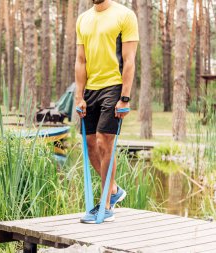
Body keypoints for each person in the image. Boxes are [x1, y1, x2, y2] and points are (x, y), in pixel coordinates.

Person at [75, 0, 139, 223]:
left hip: (114, 87)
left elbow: (129, 60)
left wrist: (125, 98)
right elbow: (81, 61)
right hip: (91, 89)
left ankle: (106, 206)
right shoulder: (83, 19)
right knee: (90, 143)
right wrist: (79, 95)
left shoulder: (125, 15)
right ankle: (112, 189)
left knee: (104, 142)